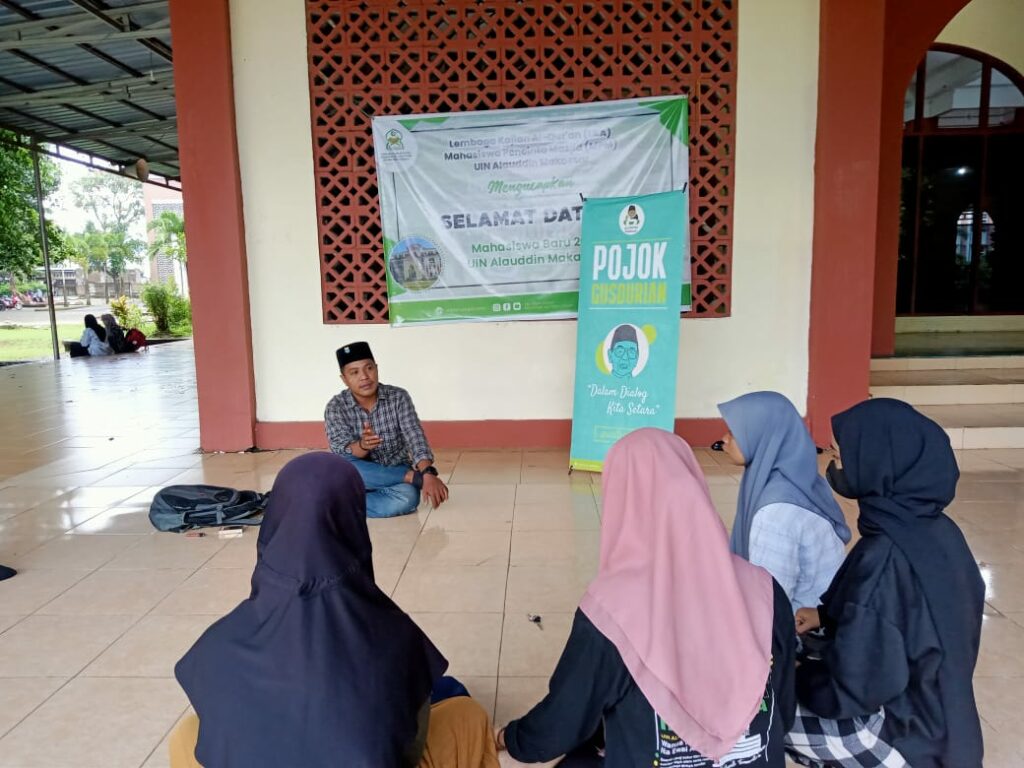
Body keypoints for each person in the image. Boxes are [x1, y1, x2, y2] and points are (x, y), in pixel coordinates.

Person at [172, 453, 499, 768]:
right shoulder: (394, 640)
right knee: (465, 715)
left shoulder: (218, 644)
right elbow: (408, 749)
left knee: (186, 736)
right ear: (353, 523)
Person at [497, 429, 795, 768]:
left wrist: (509, 738)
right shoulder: (764, 588)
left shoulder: (611, 609)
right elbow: (784, 709)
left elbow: (558, 728)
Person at [787, 399, 984, 768]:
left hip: (903, 735)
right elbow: (908, 620)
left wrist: (798, 678)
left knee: (763, 709)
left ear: (877, 461)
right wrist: (826, 616)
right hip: (944, 723)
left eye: (840, 454)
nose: (833, 463)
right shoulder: (933, 530)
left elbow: (855, 689)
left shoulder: (885, 557)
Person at [717, 391, 850, 612]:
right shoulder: (799, 479)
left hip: (801, 624)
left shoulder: (775, 511)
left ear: (762, 435)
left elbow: (769, 601)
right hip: (825, 610)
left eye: (734, 432)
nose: (724, 439)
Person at [325, 341, 448, 518]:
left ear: (376, 368)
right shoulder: (336, 406)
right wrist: (363, 446)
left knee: (408, 497)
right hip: (359, 473)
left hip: (393, 470)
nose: (364, 377)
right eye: (354, 372)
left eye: (369, 368)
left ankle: (338, 504)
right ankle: (410, 477)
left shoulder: (398, 397)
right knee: (341, 469)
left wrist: (427, 473)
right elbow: (341, 451)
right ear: (344, 379)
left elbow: (415, 437)